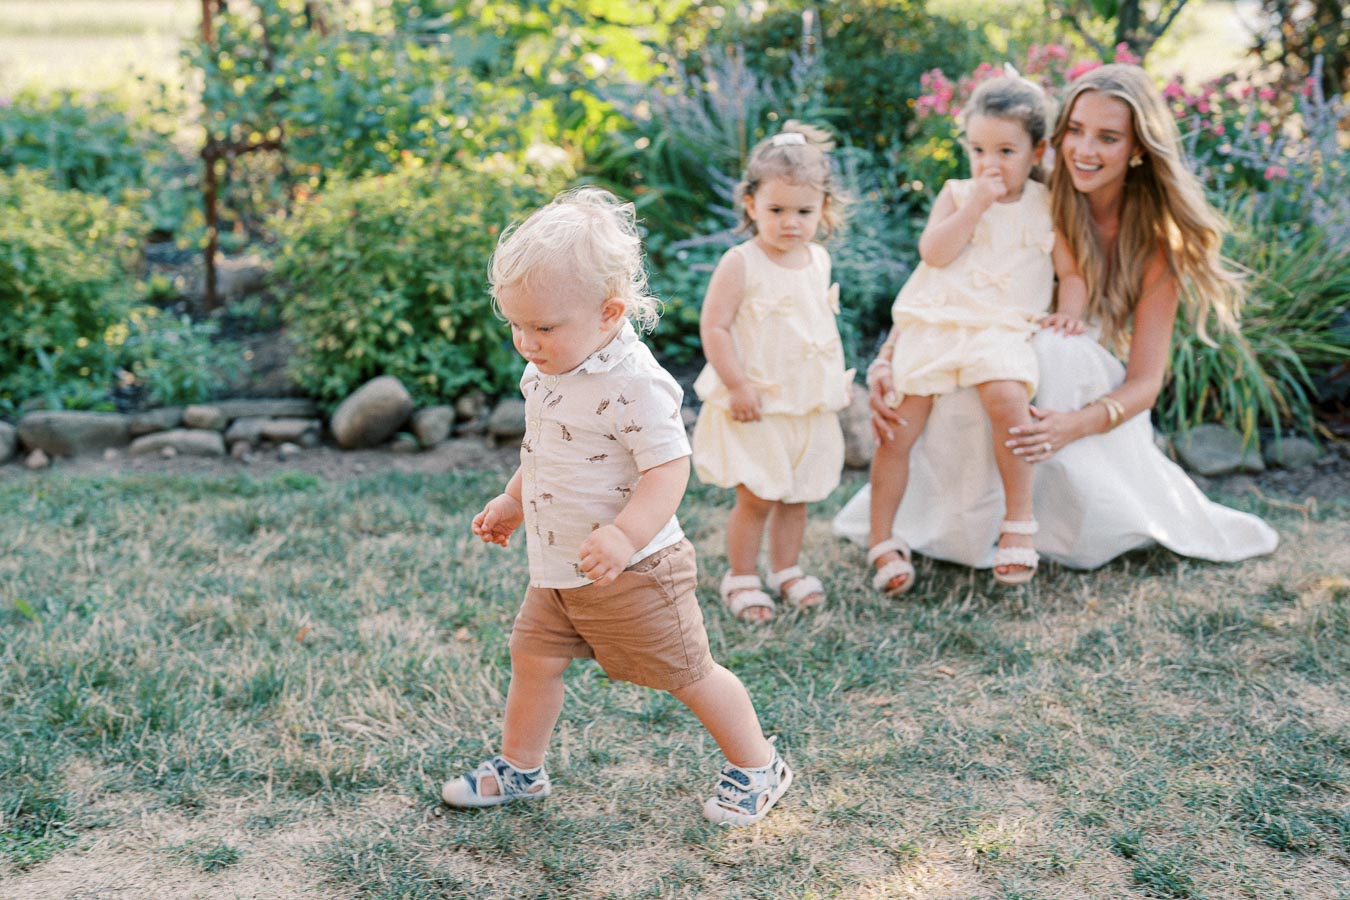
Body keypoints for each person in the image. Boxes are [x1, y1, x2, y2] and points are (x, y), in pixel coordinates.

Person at [834, 63, 1279, 570]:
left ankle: (1047, 526)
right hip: (986, 342)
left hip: (1073, 377)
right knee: (971, 376)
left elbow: (1146, 383)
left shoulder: (1153, 243)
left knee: (1048, 353)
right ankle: (947, 530)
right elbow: (949, 284)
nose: (1084, 151)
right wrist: (890, 357)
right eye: (1075, 131)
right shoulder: (1023, 190)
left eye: (1108, 138)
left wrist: (1073, 425)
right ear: (1054, 137)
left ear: (1137, 148)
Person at [441, 188, 790, 827]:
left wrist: (626, 536)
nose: (526, 341)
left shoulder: (634, 383)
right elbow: (545, 447)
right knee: (533, 658)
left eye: (542, 327)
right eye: (516, 324)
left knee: (687, 672)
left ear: (609, 312)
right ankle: (522, 768)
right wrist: (513, 499)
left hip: (634, 570)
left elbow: (669, 467)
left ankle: (758, 764)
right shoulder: (548, 368)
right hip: (560, 569)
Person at [862, 76, 1087, 593]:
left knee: (1007, 395)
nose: (990, 162)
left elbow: (1070, 274)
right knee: (898, 425)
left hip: (1001, 326)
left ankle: (1018, 525)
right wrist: (975, 206)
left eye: (1006, 151)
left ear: (1038, 151)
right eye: (979, 149)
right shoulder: (957, 195)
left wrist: (1070, 311)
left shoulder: (1047, 204)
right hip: (938, 322)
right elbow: (934, 254)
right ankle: (883, 539)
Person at [691, 121, 854, 622]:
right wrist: (737, 384)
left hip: (806, 402)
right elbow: (714, 326)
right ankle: (742, 574)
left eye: (803, 212)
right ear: (751, 205)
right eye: (777, 210)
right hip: (757, 402)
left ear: (823, 209)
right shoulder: (741, 262)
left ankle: (786, 568)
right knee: (758, 494)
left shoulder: (817, 260)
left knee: (797, 495)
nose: (790, 223)